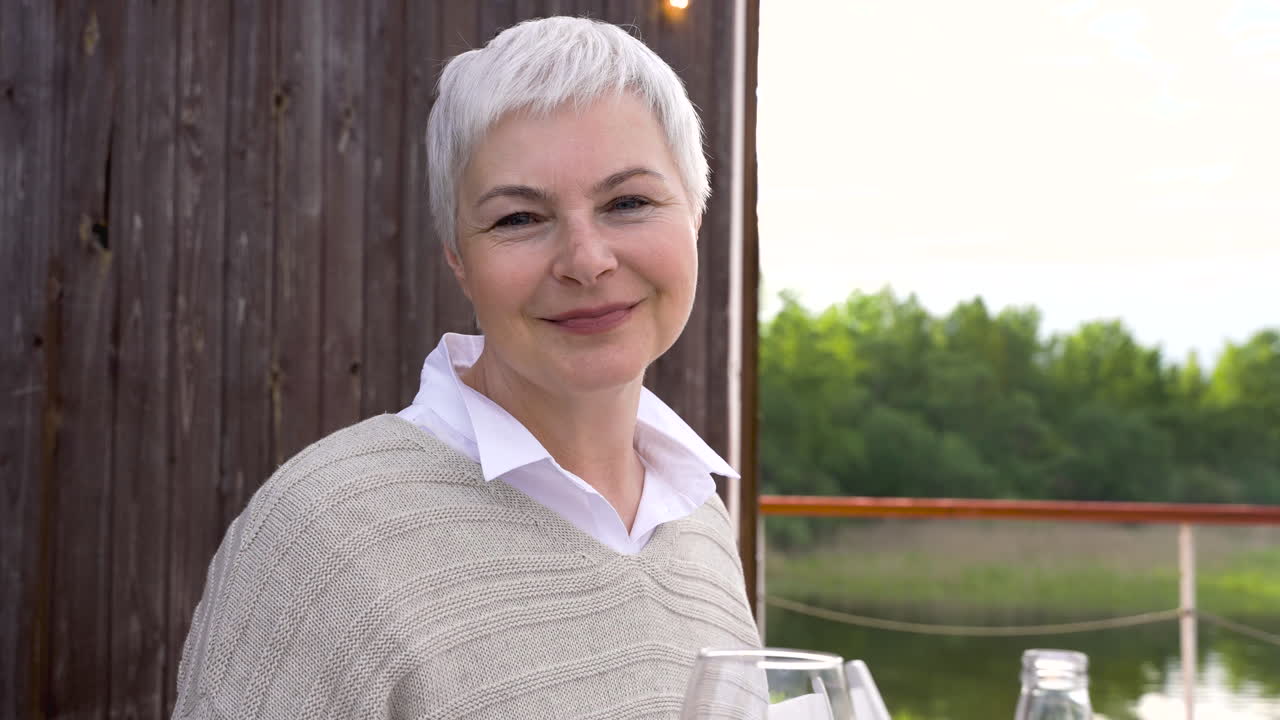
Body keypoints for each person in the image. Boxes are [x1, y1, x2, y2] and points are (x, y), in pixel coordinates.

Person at [171, 16, 760, 720]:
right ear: (458, 258)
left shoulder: (699, 521)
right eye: (518, 219)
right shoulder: (322, 536)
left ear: (695, 215)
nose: (586, 260)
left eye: (628, 203)